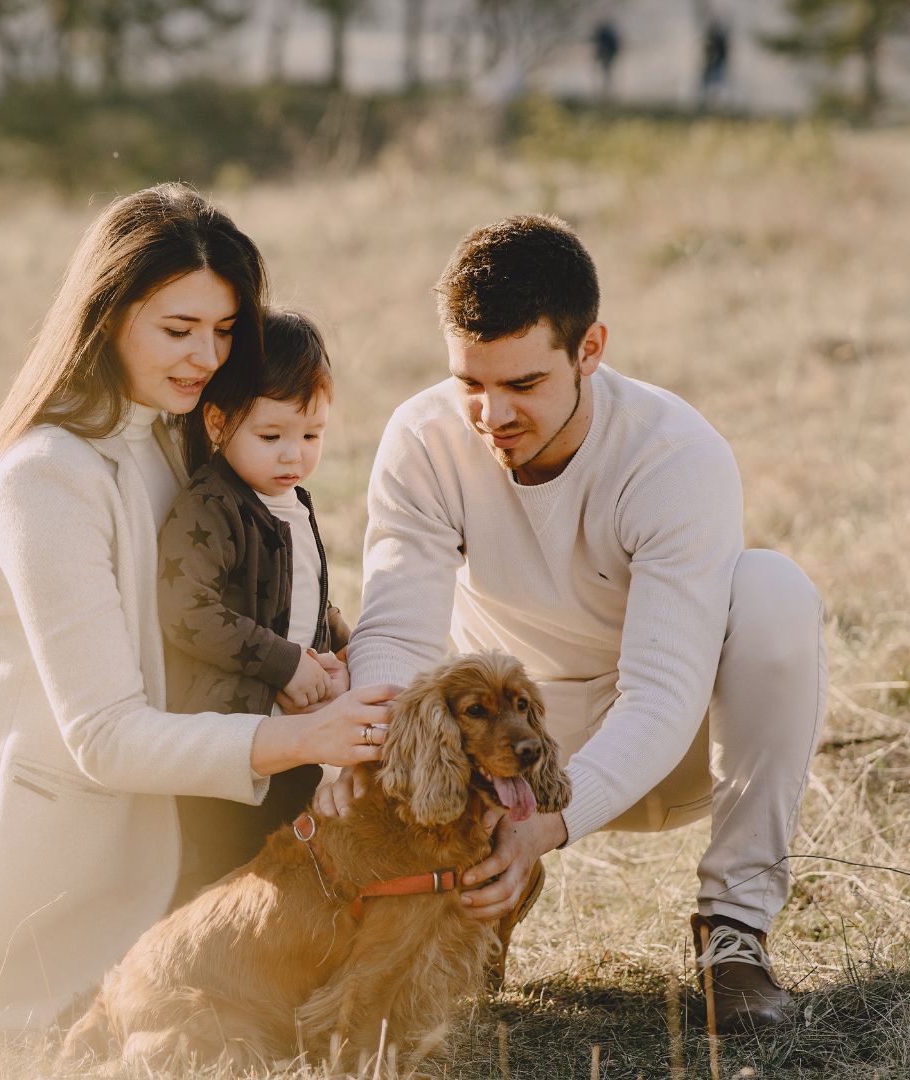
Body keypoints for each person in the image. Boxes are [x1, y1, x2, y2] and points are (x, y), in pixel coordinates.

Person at [0, 183, 394, 1042]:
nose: (207, 356)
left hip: (192, 798)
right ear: (107, 315)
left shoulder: (178, 431)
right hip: (76, 842)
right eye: (179, 329)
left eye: (225, 330)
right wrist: (305, 738)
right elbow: (102, 735)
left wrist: (309, 663)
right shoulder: (44, 478)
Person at [340, 213, 827, 1033]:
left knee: (776, 590)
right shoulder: (423, 439)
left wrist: (550, 826)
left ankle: (735, 932)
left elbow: (664, 692)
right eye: (470, 383)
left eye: (523, 384)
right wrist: (388, 776)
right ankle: (468, 890)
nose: (492, 414)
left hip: (672, 747)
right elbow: (395, 634)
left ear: (589, 349)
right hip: (504, 750)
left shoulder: (673, 453)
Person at [159, 309, 353, 903]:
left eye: (311, 436)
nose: (293, 455)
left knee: (292, 860)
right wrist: (284, 663)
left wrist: (347, 647)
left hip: (293, 736)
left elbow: (305, 595)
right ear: (218, 422)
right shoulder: (212, 507)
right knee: (228, 874)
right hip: (230, 745)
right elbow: (188, 610)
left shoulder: (291, 500)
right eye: (271, 437)